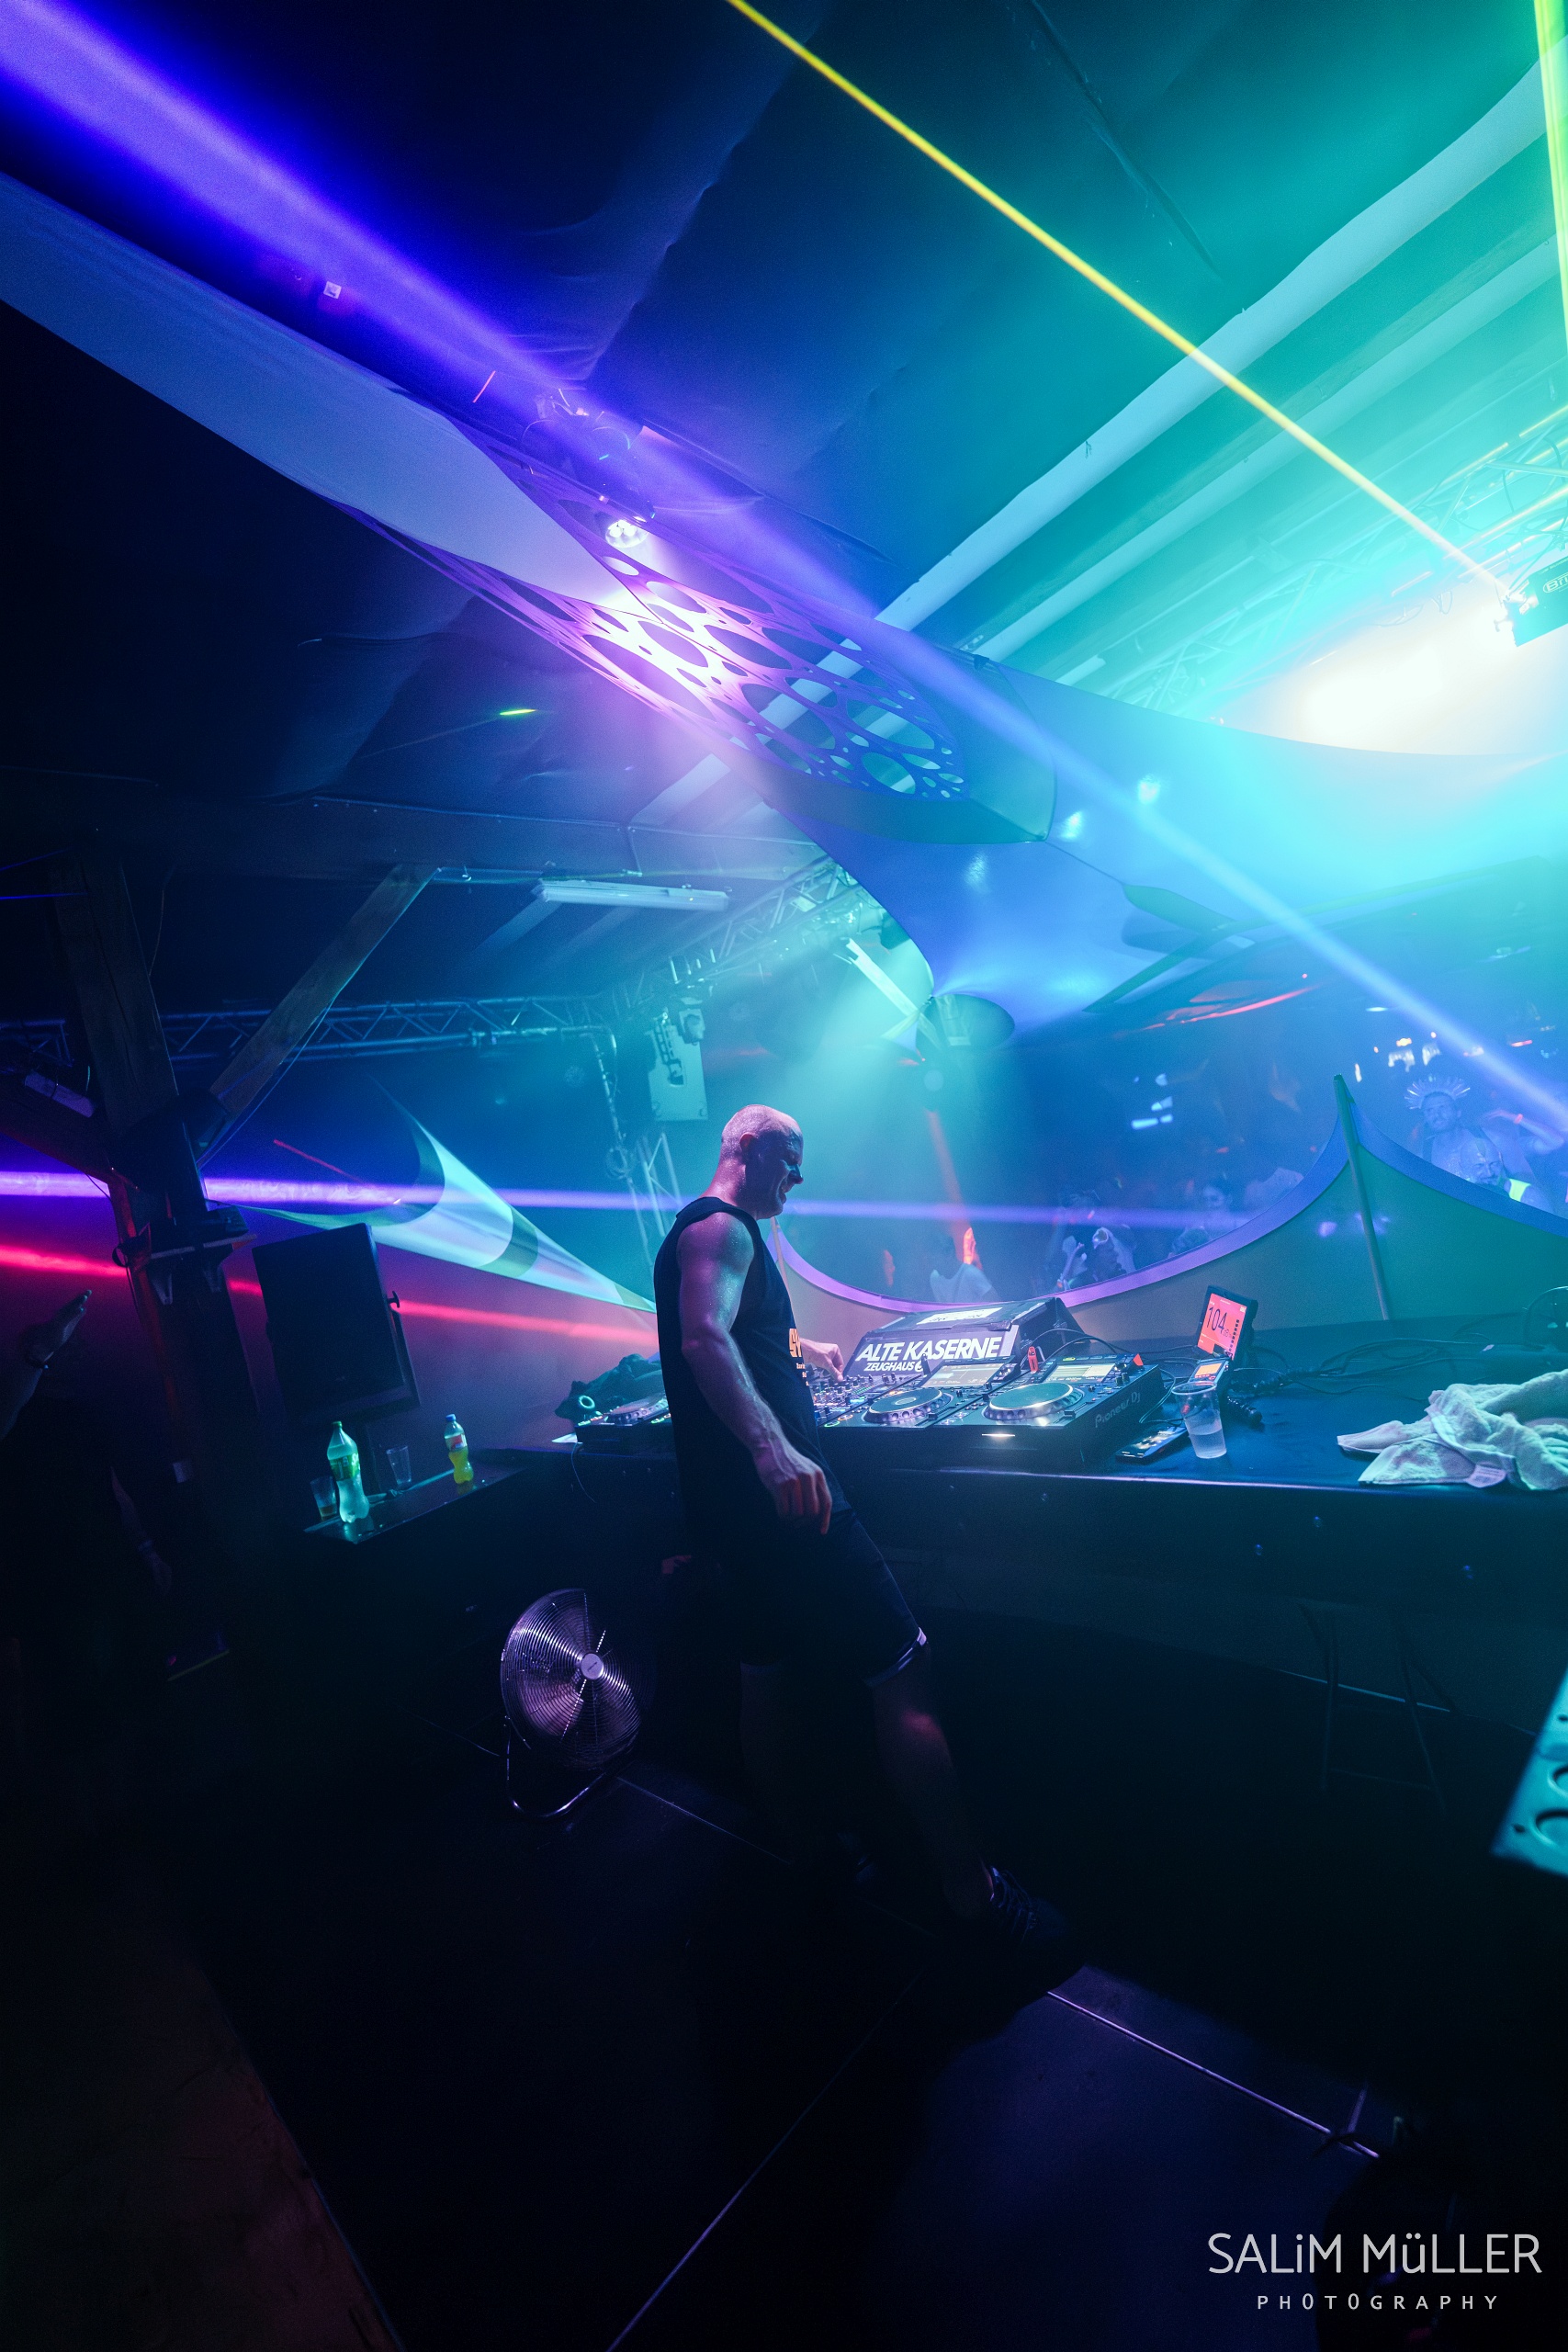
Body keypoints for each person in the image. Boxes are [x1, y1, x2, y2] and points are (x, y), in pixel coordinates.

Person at [653, 1104, 1074, 1980]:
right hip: (787, 1504)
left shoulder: (703, 1234)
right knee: (901, 1661)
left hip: (732, 1517)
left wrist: (795, 1346)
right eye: (788, 1160)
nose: (796, 1179)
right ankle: (975, 1897)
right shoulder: (721, 1229)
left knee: (764, 1672)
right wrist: (772, 1449)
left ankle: (809, 1854)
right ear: (747, 1148)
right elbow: (701, 1337)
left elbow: (731, 1328)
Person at [1406, 1072, 1559, 1209]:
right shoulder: (1423, 1155)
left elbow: (1527, 1183)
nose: (1437, 1115)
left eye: (1443, 1107)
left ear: (1458, 1112)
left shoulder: (1493, 1140)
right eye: (1430, 1111)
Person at [929, 1228, 996, 1304]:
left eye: (935, 1259)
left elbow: (995, 1302)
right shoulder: (934, 1277)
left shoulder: (971, 1274)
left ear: (949, 1254)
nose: (932, 1265)